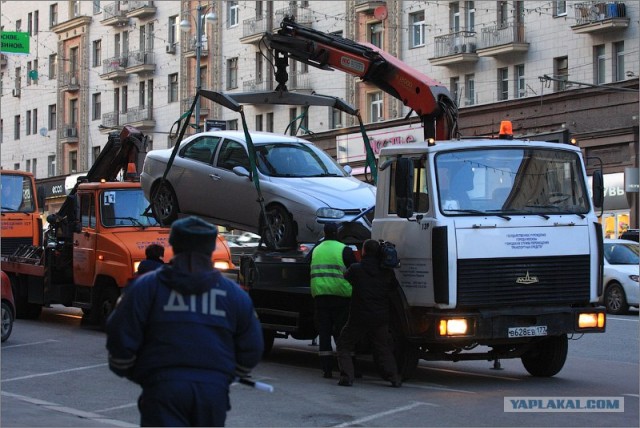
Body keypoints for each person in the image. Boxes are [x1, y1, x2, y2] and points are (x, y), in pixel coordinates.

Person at [105, 216, 264, 427]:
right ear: (210, 249)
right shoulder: (234, 295)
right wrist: (224, 377)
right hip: (211, 393)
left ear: (173, 245)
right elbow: (252, 345)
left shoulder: (146, 288)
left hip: (163, 389)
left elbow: (120, 335)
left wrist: (141, 374)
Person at [336, 239, 402, 388]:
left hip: (359, 316)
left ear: (364, 251)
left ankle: (347, 377)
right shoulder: (387, 273)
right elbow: (394, 288)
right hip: (380, 317)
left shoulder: (356, 269)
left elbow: (346, 277)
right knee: (382, 347)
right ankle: (394, 377)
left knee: (344, 344)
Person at [309, 222, 357, 379]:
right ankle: (348, 366)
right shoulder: (344, 250)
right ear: (337, 233)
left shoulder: (316, 250)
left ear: (325, 232)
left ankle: (326, 369)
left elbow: (307, 266)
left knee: (324, 334)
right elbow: (355, 270)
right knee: (343, 333)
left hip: (321, 297)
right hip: (341, 297)